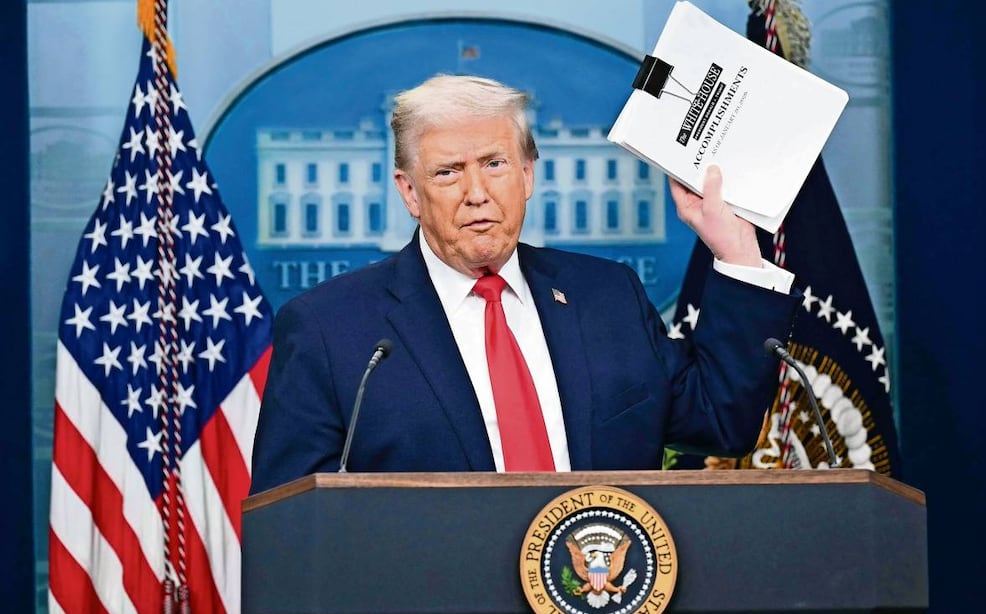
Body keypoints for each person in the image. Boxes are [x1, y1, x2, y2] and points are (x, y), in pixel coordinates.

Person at [249, 75, 800, 493]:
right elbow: (295, 524)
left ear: (528, 174)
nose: (476, 192)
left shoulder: (606, 297)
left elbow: (721, 420)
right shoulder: (330, 329)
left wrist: (736, 252)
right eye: (447, 172)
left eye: (494, 163)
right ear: (410, 192)